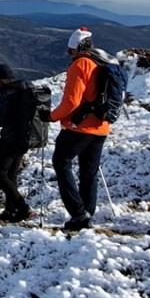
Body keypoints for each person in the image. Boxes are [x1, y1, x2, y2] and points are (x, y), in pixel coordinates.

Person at [50, 28, 110, 231]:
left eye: (70, 50)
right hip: (101, 126)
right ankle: (86, 215)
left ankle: (78, 213)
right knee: (88, 172)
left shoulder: (80, 64)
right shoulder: (101, 61)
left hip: (79, 127)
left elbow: (71, 101)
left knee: (61, 162)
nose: (70, 54)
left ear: (77, 48)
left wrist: (52, 116)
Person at [0, 63, 42, 222]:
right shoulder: (25, 90)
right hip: (24, 139)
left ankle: (23, 208)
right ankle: (11, 211)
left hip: (9, 139)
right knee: (11, 175)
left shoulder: (7, 94)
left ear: (0, 80)